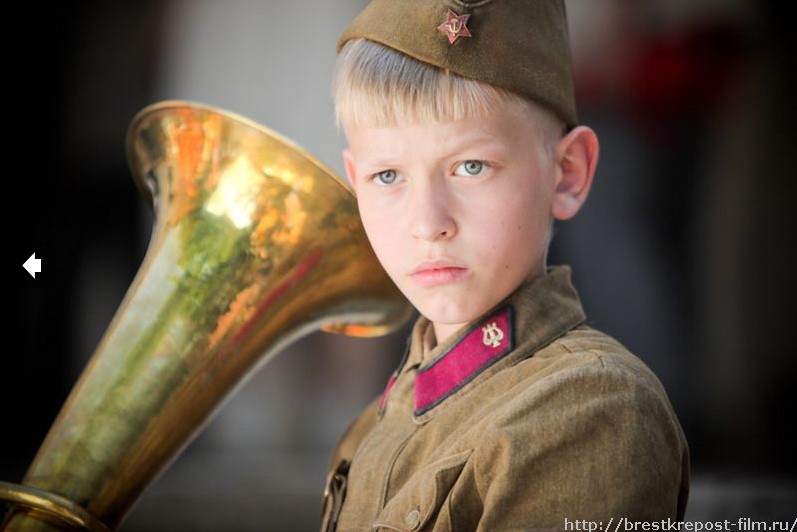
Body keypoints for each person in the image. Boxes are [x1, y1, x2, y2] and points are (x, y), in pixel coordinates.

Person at [321, 1, 690, 530]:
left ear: (567, 174)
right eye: (387, 176)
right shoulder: (369, 428)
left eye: (471, 166)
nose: (428, 223)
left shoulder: (590, 408)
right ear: (355, 183)